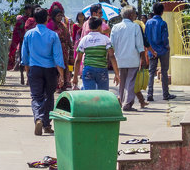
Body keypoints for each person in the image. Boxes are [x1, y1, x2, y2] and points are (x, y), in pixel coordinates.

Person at [19, 8, 64, 136]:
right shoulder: (53, 35)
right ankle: (47, 124)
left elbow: (25, 57)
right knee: (49, 97)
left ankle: (38, 117)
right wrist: (61, 74)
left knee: (36, 97)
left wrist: (28, 71)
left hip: (35, 69)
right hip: (50, 70)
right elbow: (58, 57)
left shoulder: (29, 34)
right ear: (47, 18)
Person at [110, 8, 147, 110]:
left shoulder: (115, 27)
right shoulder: (135, 27)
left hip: (119, 59)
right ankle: (127, 103)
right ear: (131, 15)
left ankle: (121, 101)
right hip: (132, 59)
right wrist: (143, 58)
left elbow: (111, 44)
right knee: (130, 82)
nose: (136, 16)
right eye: (135, 14)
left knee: (122, 82)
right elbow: (140, 45)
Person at [75, 15, 120, 92]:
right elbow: (112, 56)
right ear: (100, 27)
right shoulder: (106, 39)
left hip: (88, 70)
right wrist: (117, 74)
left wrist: (75, 76)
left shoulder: (84, 39)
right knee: (103, 94)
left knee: (90, 95)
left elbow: (78, 59)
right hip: (102, 70)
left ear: (89, 27)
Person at [144, 2, 173, 101]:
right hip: (162, 50)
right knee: (164, 72)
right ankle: (165, 94)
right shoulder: (163, 23)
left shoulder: (148, 22)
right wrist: (167, 46)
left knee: (151, 72)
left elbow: (146, 37)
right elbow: (165, 38)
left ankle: (149, 94)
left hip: (152, 50)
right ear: (162, 11)